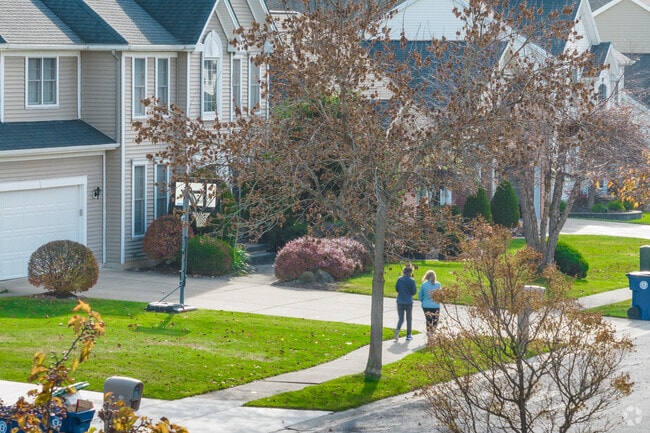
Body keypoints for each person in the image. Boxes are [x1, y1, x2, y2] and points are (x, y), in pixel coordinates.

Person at [394, 266, 417, 342]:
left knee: (401, 318)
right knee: (409, 319)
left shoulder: (399, 279)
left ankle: (397, 331)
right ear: (411, 272)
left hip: (400, 301)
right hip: (408, 302)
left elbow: (397, 289)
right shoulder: (412, 281)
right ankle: (408, 335)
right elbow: (414, 292)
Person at [419, 269, 441, 342]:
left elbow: (420, 296)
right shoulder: (438, 284)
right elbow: (440, 295)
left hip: (426, 305)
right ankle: (432, 332)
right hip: (435, 305)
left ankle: (429, 333)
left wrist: (423, 301)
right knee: (435, 320)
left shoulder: (423, 285)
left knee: (428, 320)